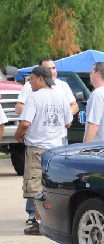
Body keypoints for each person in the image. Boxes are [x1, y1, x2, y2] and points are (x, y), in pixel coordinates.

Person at [14, 66, 72, 235]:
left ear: (40, 79)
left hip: (38, 148)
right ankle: (58, 222)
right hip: (57, 149)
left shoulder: (34, 98)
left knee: (36, 187)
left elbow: (25, 123)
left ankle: (40, 224)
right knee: (54, 186)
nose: (30, 83)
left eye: (31, 79)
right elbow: (68, 122)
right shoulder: (61, 96)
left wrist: (19, 136)